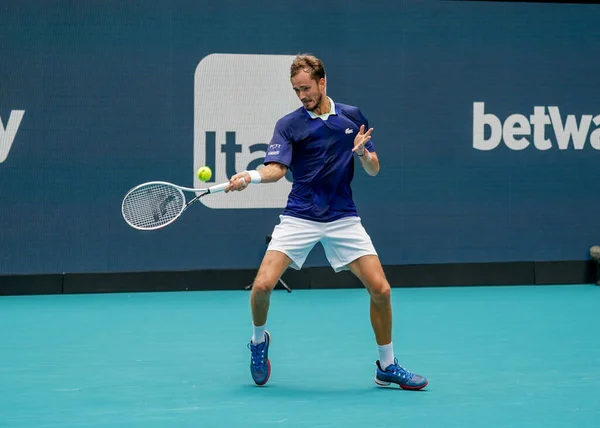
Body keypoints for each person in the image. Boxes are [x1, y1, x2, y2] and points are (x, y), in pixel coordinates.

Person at [225, 54, 428, 390]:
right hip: (301, 215)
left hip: (342, 217)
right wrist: (250, 175)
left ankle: (387, 366)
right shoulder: (289, 125)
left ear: (322, 82)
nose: (302, 95)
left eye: (306, 88)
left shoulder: (351, 117)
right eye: (296, 90)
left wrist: (363, 152)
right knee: (262, 285)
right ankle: (259, 343)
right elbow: (276, 170)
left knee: (381, 289)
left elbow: (374, 168)